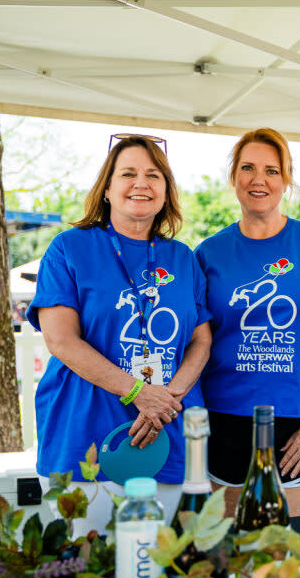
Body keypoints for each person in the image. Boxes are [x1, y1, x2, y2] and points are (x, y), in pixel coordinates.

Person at [27, 134, 212, 533]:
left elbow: (201, 340)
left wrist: (168, 398)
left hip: (165, 436)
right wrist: (139, 392)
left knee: (159, 572)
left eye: (154, 175)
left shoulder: (182, 257)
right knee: (80, 570)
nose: (141, 183)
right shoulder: (68, 249)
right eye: (128, 173)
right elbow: (61, 340)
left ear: (166, 192)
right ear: (107, 189)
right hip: (84, 438)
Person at [195, 128, 300, 516]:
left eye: (272, 170)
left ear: (286, 181)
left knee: (297, 553)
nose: (259, 179)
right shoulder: (206, 254)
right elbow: (197, 343)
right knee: (235, 553)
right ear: (234, 176)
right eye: (248, 168)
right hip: (225, 422)